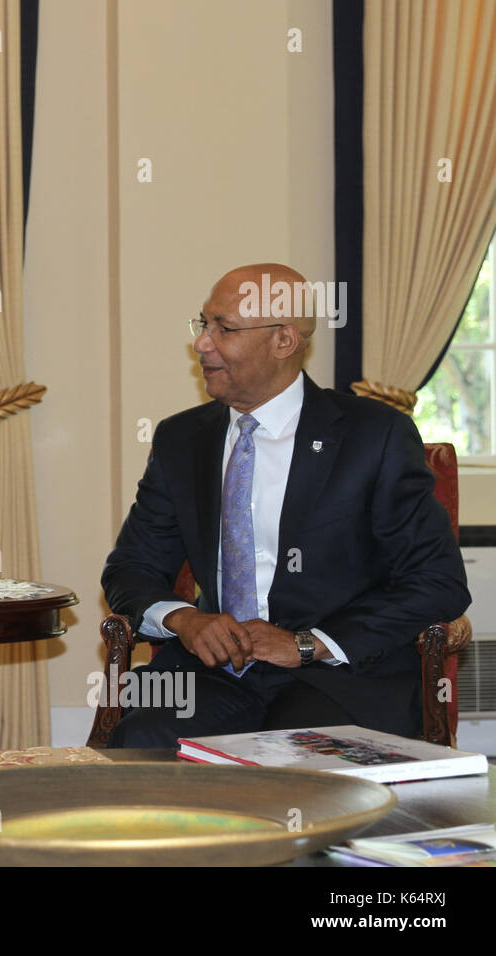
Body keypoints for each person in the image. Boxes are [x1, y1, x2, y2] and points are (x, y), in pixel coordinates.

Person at [101, 263, 469, 747]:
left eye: (224, 329)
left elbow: (435, 582)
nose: (202, 343)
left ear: (284, 341)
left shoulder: (373, 435)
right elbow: (131, 567)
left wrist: (307, 645)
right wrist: (184, 620)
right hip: (210, 674)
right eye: (203, 323)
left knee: (294, 760)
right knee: (142, 745)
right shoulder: (182, 439)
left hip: (339, 675)